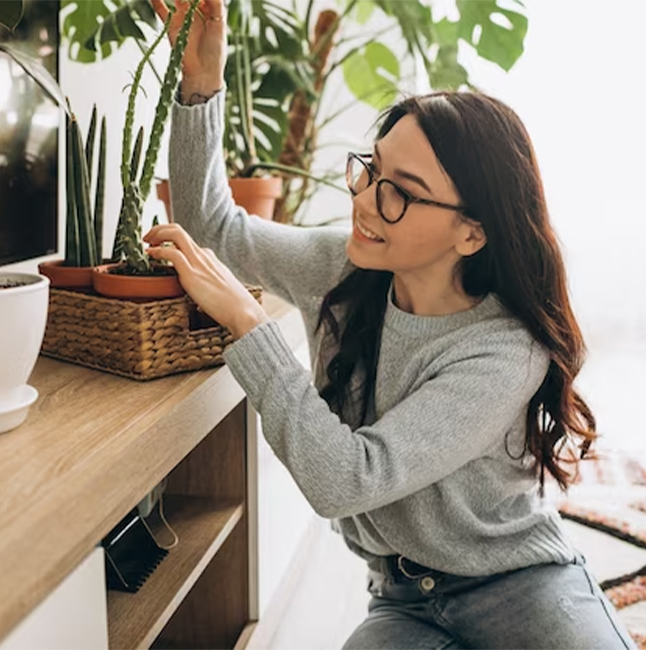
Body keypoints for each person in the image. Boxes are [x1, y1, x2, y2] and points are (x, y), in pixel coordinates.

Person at [145, 1, 637, 648]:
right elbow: (215, 231)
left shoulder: (507, 351)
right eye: (371, 169)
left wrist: (248, 322)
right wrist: (200, 85)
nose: (365, 200)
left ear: (472, 232)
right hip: (403, 601)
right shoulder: (343, 269)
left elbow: (347, 477)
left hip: (519, 587)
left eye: (399, 191)